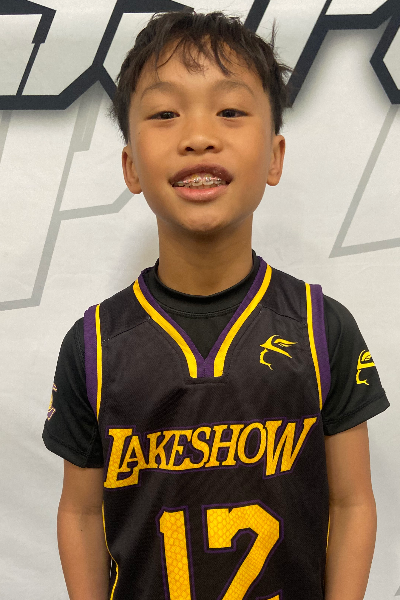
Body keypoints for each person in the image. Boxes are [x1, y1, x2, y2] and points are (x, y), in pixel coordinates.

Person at [42, 10, 389, 600]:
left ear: (275, 156)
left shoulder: (320, 328)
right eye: (164, 114)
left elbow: (352, 501)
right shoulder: (95, 345)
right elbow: (79, 512)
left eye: (230, 111)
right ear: (131, 166)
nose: (198, 135)